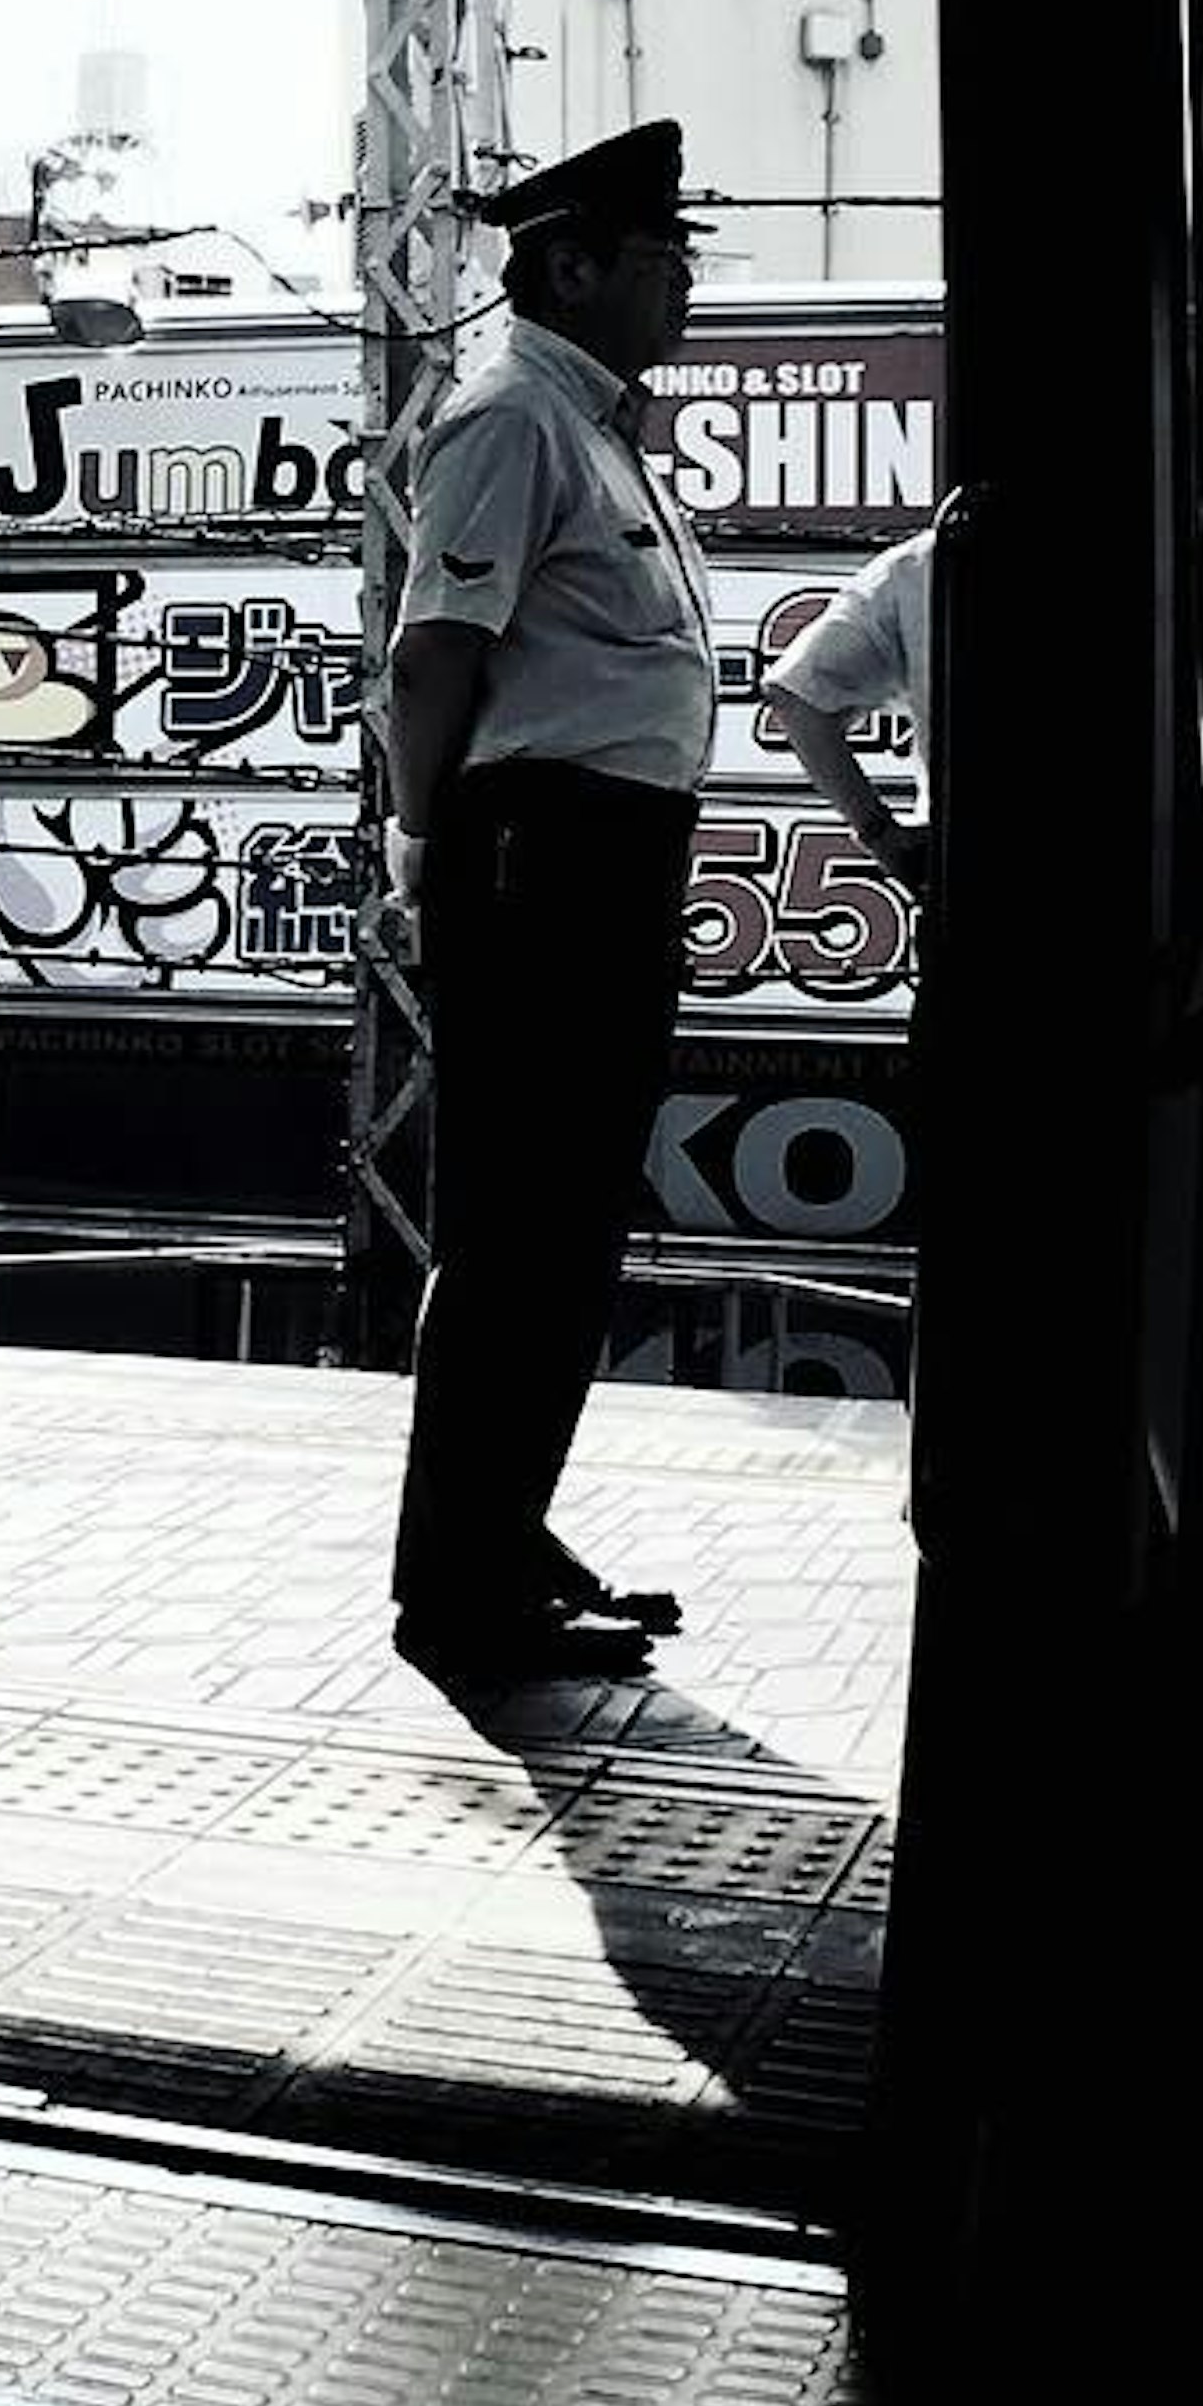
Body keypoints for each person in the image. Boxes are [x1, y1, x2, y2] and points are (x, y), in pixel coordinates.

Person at [379, 119, 720, 1681]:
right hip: (536, 861)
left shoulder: (598, 429)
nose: (686, 288)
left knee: (568, 1234)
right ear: (568, 264)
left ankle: (502, 1533)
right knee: (519, 1233)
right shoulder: (516, 417)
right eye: (662, 261)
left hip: (607, 859)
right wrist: (422, 848)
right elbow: (435, 650)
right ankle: (461, 1584)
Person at [762, 525, 935, 895]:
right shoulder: (920, 566)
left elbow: (796, 695)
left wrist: (879, 833)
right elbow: (795, 695)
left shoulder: (921, 566)